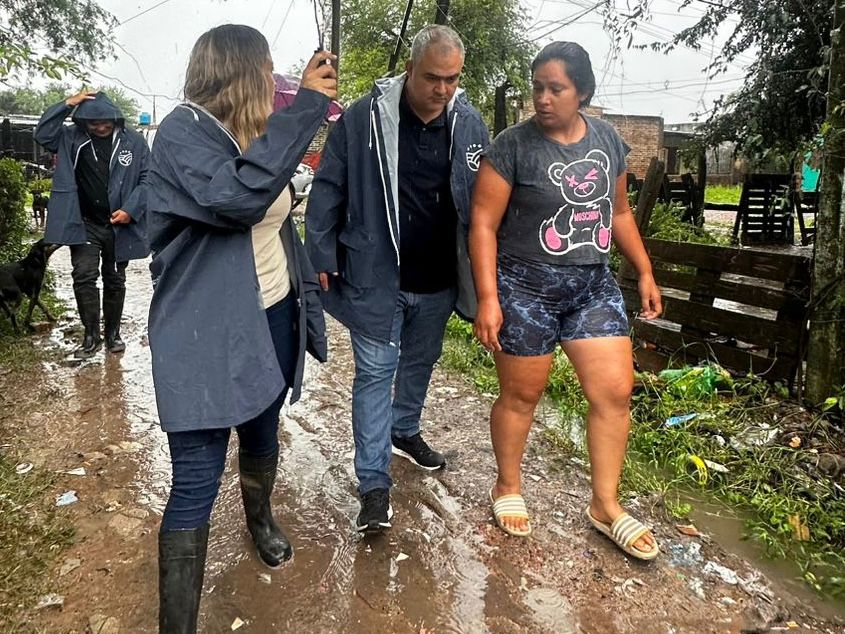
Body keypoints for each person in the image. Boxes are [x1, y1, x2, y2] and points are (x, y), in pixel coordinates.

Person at [147, 25, 336, 633]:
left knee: (261, 429)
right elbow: (238, 198)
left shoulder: (256, 132)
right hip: (204, 328)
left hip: (273, 312)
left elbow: (276, 216)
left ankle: (260, 519)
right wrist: (305, 107)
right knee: (196, 477)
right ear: (240, 71)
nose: (273, 78)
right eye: (266, 68)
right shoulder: (181, 133)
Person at [470, 41, 662, 560]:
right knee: (522, 395)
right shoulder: (512, 146)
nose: (543, 98)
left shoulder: (608, 141)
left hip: (591, 286)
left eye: (556, 88)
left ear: (582, 92)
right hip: (524, 286)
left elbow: (619, 213)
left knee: (615, 392)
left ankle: (605, 505)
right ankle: (508, 485)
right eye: (538, 87)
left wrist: (645, 271)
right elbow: (483, 224)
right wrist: (488, 298)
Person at [306, 24, 489, 534]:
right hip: (376, 274)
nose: (443, 89)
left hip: (438, 278)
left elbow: (485, 198)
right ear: (410, 70)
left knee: (421, 362)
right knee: (373, 374)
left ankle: (404, 429)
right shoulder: (364, 118)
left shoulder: (469, 123)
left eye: (452, 79)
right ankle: (373, 485)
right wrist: (321, 250)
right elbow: (328, 185)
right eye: (432, 77)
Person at [34, 90, 150, 358]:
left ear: (115, 118)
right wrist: (67, 104)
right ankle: (91, 336)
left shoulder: (134, 141)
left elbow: (149, 178)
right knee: (84, 275)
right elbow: (43, 134)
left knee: (115, 278)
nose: (99, 127)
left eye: (104, 122)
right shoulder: (71, 137)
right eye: (93, 123)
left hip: (119, 225)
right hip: (84, 222)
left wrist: (131, 210)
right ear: (83, 121)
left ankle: (112, 334)